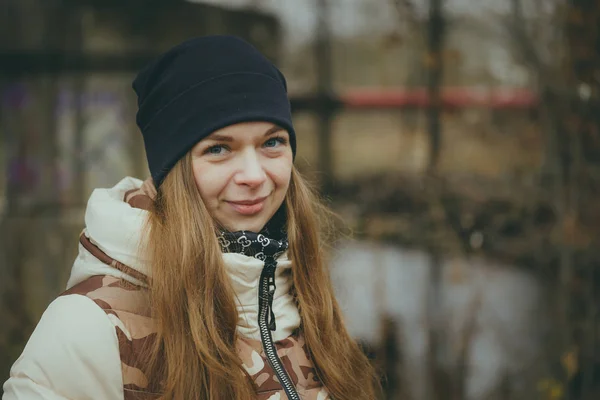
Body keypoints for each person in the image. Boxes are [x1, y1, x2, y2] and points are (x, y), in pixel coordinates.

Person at [2, 36, 379, 400]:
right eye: (218, 148)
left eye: (272, 142)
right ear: (174, 170)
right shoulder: (88, 327)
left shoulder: (297, 288)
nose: (254, 175)